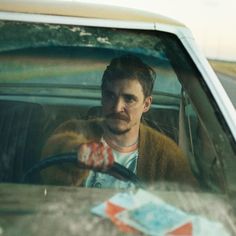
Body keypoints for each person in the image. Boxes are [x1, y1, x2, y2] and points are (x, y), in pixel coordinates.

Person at [40, 54, 197, 188]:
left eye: (129, 99)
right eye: (110, 96)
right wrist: (77, 151)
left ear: (146, 104)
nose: (117, 108)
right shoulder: (73, 130)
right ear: (102, 97)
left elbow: (189, 201)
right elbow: (52, 158)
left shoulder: (165, 154)